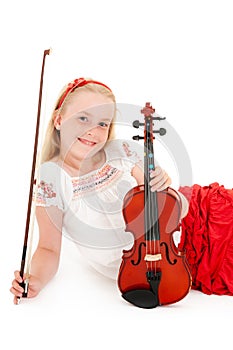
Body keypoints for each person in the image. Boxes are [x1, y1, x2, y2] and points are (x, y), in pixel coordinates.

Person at [10, 77, 189, 304]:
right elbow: (48, 248)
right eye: (83, 118)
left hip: (180, 247)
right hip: (137, 270)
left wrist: (165, 188)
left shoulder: (121, 151)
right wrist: (35, 279)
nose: (93, 131)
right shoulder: (52, 178)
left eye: (103, 123)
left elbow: (179, 210)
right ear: (58, 120)